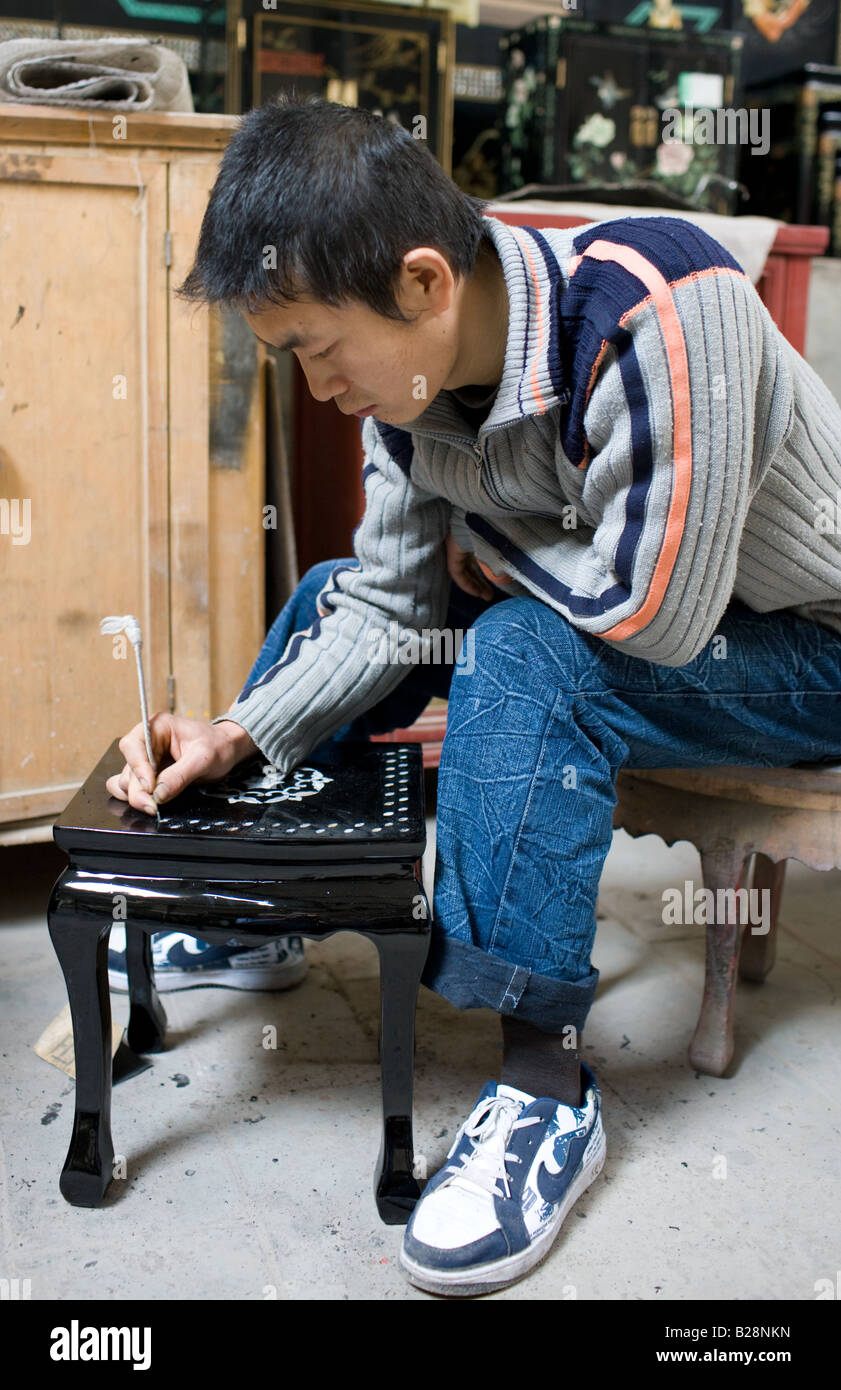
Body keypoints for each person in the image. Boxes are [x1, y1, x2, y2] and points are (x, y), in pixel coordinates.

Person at [108, 96, 841, 1297]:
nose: (317, 383)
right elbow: (389, 608)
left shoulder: (659, 308)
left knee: (518, 649)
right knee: (336, 592)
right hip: (645, 609)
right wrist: (238, 732)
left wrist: (496, 562)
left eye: (316, 349)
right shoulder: (407, 398)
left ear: (424, 280)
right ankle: (271, 910)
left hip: (801, 647)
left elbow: (658, 611)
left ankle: (546, 1085)